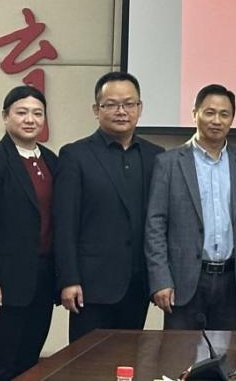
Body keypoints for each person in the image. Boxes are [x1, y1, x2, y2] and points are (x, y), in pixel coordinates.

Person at [54, 71, 163, 342]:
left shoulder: (156, 156)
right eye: (111, 104)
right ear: (96, 109)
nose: (121, 111)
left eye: (129, 104)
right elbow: (65, 224)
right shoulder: (75, 155)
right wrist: (68, 279)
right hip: (90, 286)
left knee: (129, 358)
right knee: (87, 362)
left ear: (140, 108)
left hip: (137, 284)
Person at [0, 86, 60, 381]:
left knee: (29, 366)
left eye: (37, 113)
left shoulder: (51, 161)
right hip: (1, 285)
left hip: (41, 282)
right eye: (21, 112)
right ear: (5, 117)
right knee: (0, 367)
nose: (30, 119)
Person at [145, 83, 236, 329]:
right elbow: (155, 225)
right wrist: (161, 279)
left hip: (231, 282)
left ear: (232, 119)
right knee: (179, 352)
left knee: (227, 351)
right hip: (184, 282)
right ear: (194, 113)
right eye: (209, 112)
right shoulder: (168, 163)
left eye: (224, 114)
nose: (216, 120)